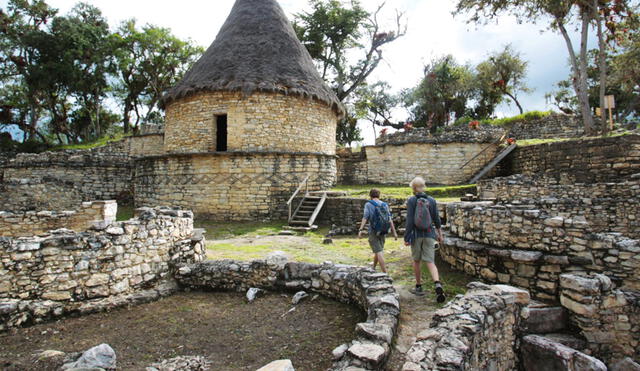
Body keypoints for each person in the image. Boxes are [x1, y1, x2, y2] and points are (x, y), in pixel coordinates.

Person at [404, 177, 446, 303]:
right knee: (430, 261)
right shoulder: (431, 200)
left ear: (413, 188)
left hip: (416, 235)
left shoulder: (411, 201)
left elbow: (410, 221)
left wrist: (406, 237)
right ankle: (437, 284)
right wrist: (439, 234)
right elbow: (437, 219)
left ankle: (418, 286)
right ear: (424, 186)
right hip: (429, 234)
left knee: (416, 261)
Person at [358, 188, 397, 273]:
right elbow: (389, 219)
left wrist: (360, 229)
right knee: (378, 250)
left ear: (370, 195)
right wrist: (394, 233)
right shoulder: (384, 204)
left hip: (374, 231)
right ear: (379, 195)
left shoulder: (368, 204)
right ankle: (373, 267)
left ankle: (384, 273)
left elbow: (365, 217)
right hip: (383, 230)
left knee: (379, 251)